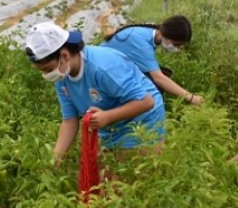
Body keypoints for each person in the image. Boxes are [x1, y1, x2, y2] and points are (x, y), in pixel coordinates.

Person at [24, 22, 166, 167]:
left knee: (131, 179)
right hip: (110, 126)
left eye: (48, 69)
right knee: (106, 182)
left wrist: (107, 116)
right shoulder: (62, 76)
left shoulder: (102, 67)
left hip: (143, 121)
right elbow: (69, 121)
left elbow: (146, 101)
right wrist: (55, 161)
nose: (46, 75)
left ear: (64, 55)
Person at [100, 15, 203, 105]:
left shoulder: (148, 34)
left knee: (162, 74)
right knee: (153, 85)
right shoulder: (141, 43)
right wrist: (190, 97)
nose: (177, 49)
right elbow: (159, 79)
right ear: (168, 34)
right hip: (102, 72)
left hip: (113, 67)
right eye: (176, 44)